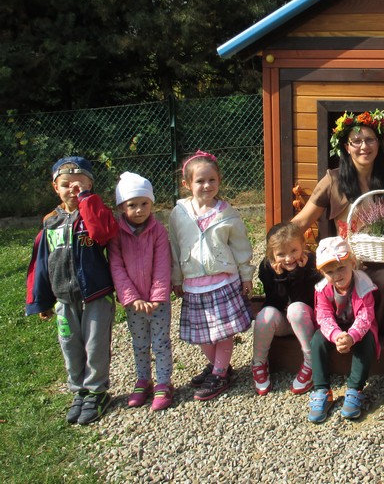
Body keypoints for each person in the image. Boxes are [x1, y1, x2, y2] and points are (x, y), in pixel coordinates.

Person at [292, 109, 384, 336]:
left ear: (379, 144)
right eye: (356, 141)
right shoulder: (333, 180)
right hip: (344, 263)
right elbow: (302, 220)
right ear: (346, 147)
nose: (364, 146)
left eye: (370, 140)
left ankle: (381, 332)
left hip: (378, 262)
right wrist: (280, 245)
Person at [25, 156, 119, 425]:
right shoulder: (50, 222)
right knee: (70, 346)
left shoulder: (95, 212)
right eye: (67, 184)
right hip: (64, 299)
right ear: (56, 187)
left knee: (95, 345)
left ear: (90, 185)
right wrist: (40, 300)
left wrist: (87, 200)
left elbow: (103, 233)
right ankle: (79, 391)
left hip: (96, 295)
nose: (73, 189)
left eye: (80, 184)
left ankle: (97, 392)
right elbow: (41, 262)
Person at [169, 150, 254, 401]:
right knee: (203, 334)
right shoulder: (179, 213)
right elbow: (174, 247)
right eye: (200, 181)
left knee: (223, 332)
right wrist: (176, 278)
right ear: (187, 184)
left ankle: (219, 372)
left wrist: (246, 275)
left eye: (211, 180)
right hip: (194, 285)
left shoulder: (227, 214)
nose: (206, 185)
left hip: (223, 281)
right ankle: (221, 366)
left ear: (219, 181)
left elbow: (240, 247)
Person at [108, 172, 174, 411]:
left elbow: (162, 265)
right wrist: (132, 298)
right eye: (132, 205)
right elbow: (116, 267)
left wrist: (157, 297)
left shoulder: (158, 231)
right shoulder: (116, 234)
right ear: (121, 207)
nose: (139, 210)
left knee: (161, 343)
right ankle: (143, 380)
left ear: (152, 203)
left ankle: (164, 383)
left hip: (158, 303)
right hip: (134, 303)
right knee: (139, 343)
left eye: (144, 203)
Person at [308, 236, 379, 423]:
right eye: (330, 272)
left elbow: (365, 316)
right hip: (336, 329)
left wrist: (352, 336)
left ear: (352, 263)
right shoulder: (323, 289)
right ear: (323, 273)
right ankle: (322, 389)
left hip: (359, 329)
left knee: (367, 341)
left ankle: (355, 389)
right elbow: (323, 315)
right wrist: (337, 335)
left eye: (341, 268)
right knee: (317, 340)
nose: (337, 275)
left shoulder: (363, 285)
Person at [252, 222, 319, 396]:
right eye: (281, 254)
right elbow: (275, 301)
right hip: (282, 321)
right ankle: (259, 363)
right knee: (265, 315)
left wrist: (298, 274)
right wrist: (280, 278)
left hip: (305, 320)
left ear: (303, 246)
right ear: (272, 254)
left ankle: (311, 362)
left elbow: (304, 299)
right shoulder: (267, 268)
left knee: (295, 309)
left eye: (294, 251)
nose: (289, 259)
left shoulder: (311, 263)